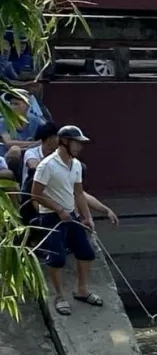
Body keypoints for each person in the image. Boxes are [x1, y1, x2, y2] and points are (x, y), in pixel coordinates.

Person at [30, 126, 99, 316]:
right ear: (65, 142)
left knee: (86, 253)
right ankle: (59, 297)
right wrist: (58, 209)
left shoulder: (75, 164)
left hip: (71, 214)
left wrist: (87, 217)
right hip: (51, 216)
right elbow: (35, 194)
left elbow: (78, 192)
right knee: (57, 257)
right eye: (77, 143)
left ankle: (82, 290)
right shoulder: (47, 165)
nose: (80, 147)